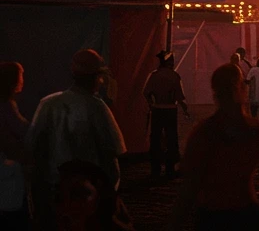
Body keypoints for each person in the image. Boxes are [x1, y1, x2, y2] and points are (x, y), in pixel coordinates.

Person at [171, 63, 259, 231]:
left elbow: (189, 186)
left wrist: (174, 224)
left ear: (215, 92)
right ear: (242, 89)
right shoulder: (254, 131)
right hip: (245, 213)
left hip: (211, 215)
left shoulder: (204, 133)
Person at [25, 50, 126, 231]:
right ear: (97, 78)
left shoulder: (48, 104)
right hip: (87, 195)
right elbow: (112, 152)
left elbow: (32, 147)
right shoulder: (96, 107)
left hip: (53, 189)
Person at [142, 50, 189, 180]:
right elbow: (180, 97)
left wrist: (151, 104)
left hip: (157, 110)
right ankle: (170, 168)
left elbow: (146, 92)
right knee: (171, 139)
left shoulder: (154, 76)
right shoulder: (174, 76)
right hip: (170, 110)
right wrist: (185, 110)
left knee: (156, 139)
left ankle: (155, 168)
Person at [0, 62, 30, 230]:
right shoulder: (7, 105)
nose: (22, 80)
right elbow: (23, 130)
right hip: (7, 168)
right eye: (20, 76)